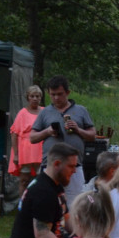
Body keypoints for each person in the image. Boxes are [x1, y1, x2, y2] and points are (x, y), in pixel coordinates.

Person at [30, 76, 96, 206]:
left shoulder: (81, 110)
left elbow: (92, 135)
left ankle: (73, 225)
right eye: (52, 94)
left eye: (59, 94)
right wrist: (47, 132)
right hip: (50, 167)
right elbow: (32, 137)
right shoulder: (45, 112)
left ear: (67, 93)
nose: (56, 98)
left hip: (74, 167)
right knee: (48, 201)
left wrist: (78, 130)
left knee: (76, 202)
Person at [8, 86, 44, 195]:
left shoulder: (44, 111)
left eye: (37, 96)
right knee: (24, 180)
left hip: (40, 149)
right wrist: (16, 155)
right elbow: (14, 134)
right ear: (28, 98)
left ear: (40, 98)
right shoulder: (22, 113)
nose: (35, 99)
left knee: (40, 179)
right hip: (25, 151)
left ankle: (38, 203)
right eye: (32, 96)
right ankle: (22, 205)